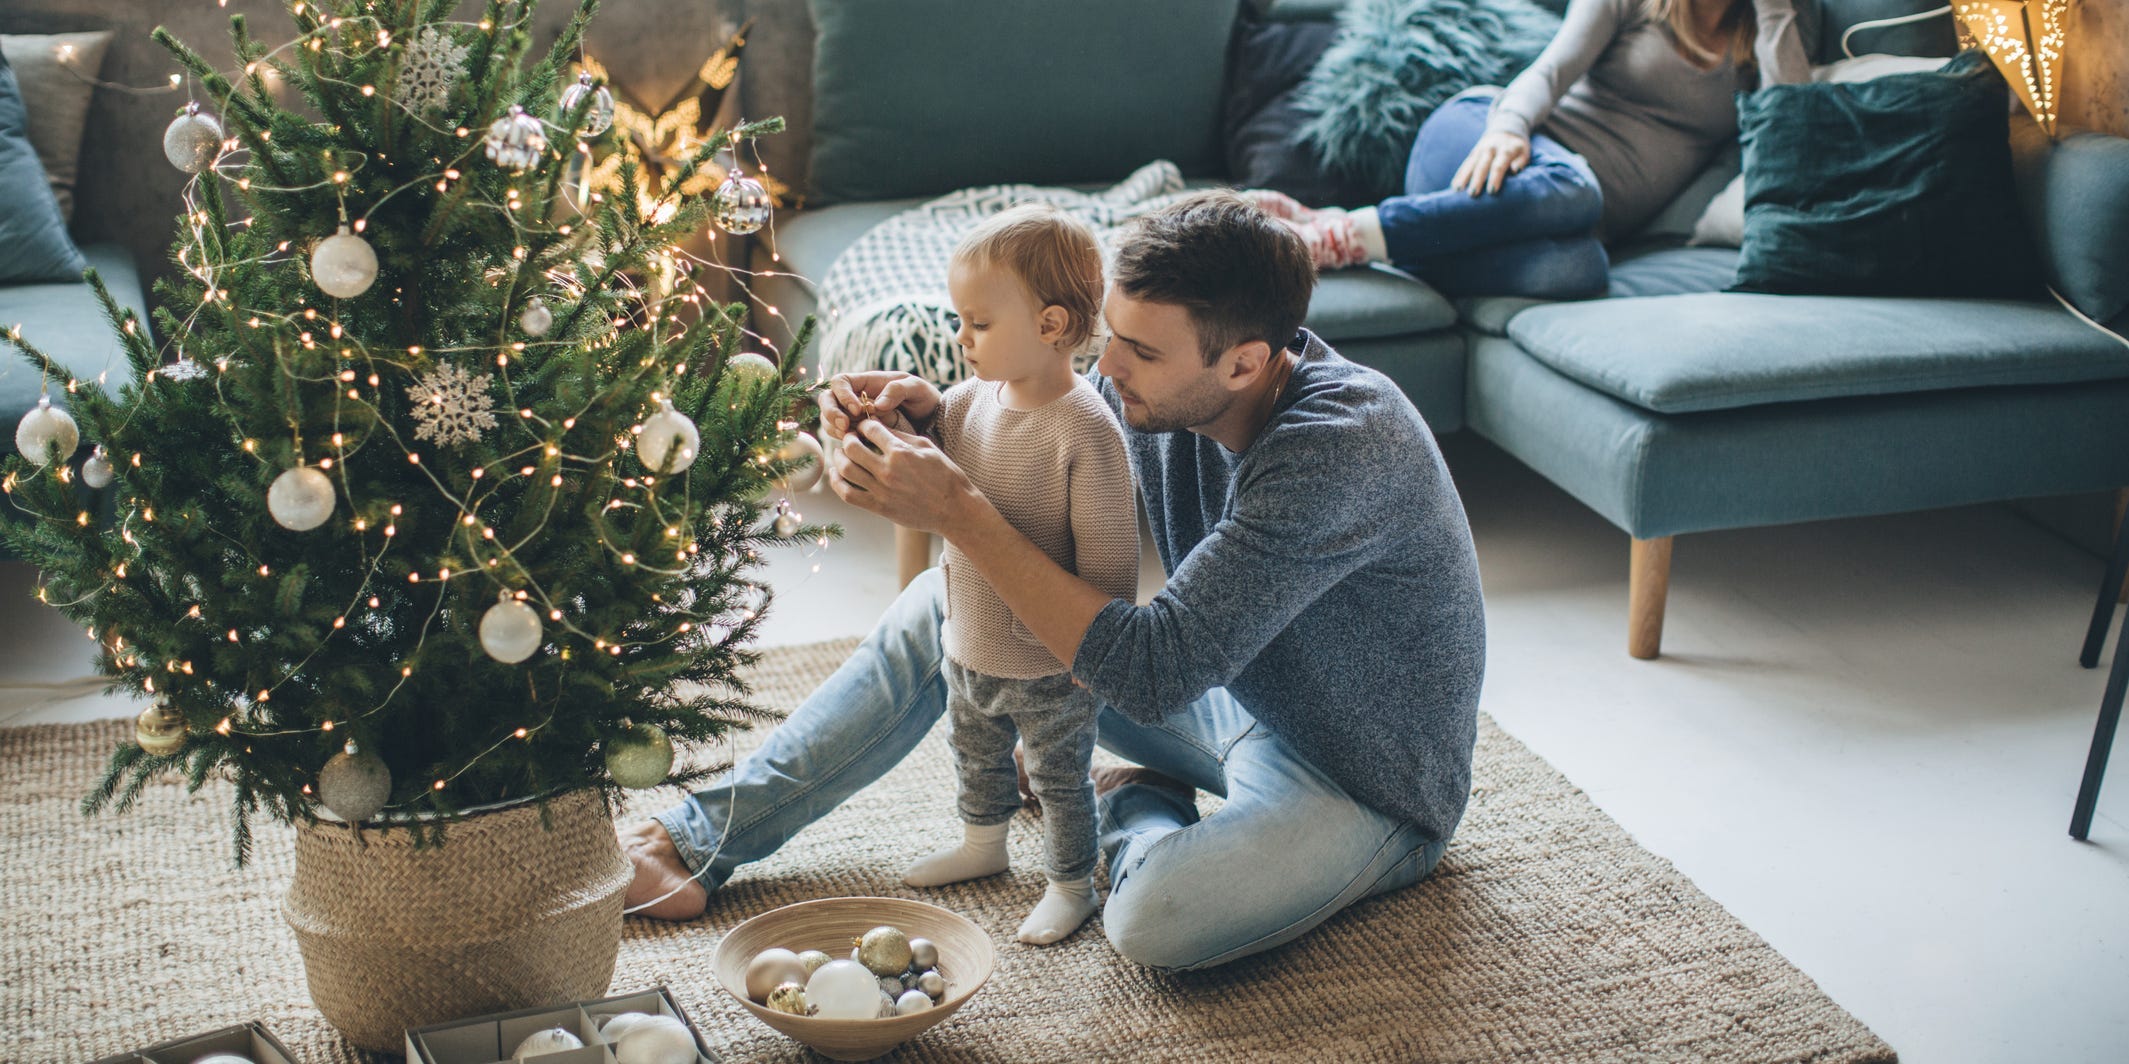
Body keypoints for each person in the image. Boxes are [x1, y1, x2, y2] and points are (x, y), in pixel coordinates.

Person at [622, 191, 1487, 972]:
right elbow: (1050, 425)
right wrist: (934, 413)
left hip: (1359, 780)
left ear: (1243, 363)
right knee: (943, 604)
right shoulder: (1162, 386)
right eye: (1109, 333)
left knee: (1154, 921)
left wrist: (956, 510)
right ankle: (696, 839)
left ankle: (1136, 803)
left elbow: (1152, 670)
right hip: (1232, 695)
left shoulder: (1341, 445)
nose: (1107, 365)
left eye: (1138, 351)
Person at [892, 204, 1138, 946]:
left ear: (1051, 326)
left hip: (1049, 664)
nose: (960, 340)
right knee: (973, 750)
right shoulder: (966, 402)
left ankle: (1070, 883)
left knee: (1062, 781)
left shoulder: (1085, 428)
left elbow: (1110, 568)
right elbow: (924, 470)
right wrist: (887, 419)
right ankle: (982, 840)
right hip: (968, 644)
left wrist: (1089, 658)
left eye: (977, 324)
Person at [1262, 0, 1811, 298]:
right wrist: (1509, 127)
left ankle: (1347, 227)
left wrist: (1775, 8)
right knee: (1575, 187)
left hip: (1550, 222)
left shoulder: (1769, 34)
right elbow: (1550, 71)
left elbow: (1794, 125)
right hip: (1481, 139)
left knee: (1581, 271)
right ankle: (1337, 238)